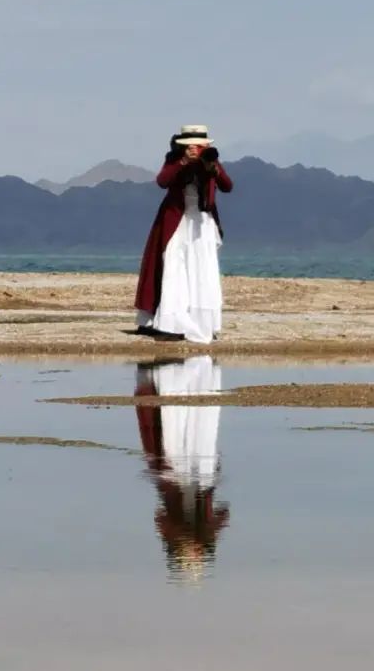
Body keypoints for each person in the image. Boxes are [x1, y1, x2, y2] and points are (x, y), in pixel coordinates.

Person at [134, 355, 229, 584]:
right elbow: (223, 514)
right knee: (181, 438)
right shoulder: (198, 530)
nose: (193, 553)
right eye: (194, 557)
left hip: (181, 477)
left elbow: (162, 518)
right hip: (193, 479)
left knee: (178, 439)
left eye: (190, 558)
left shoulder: (180, 529)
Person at [134, 125, 233, 343]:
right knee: (174, 268)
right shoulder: (174, 160)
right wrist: (183, 162)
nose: (196, 149)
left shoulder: (211, 161)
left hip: (202, 222)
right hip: (177, 221)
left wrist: (213, 168)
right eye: (192, 146)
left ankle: (204, 322)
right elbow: (162, 181)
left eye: (200, 145)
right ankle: (172, 322)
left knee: (202, 270)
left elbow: (227, 186)